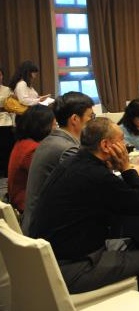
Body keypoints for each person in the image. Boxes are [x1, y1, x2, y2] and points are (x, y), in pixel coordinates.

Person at [27, 117, 139, 297]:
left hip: (48, 260)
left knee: (132, 243)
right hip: (72, 268)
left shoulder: (71, 163)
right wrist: (126, 168)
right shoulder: (95, 174)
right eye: (121, 140)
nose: (125, 145)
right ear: (105, 145)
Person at [23, 91, 95, 235]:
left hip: (33, 222)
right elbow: (88, 188)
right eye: (91, 117)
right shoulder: (67, 149)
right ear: (75, 119)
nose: (93, 122)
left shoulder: (50, 139)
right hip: (46, 231)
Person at [8, 105, 55, 212]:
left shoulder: (23, 142)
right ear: (43, 126)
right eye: (54, 125)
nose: (55, 129)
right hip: (27, 204)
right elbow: (48, 179)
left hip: (20, 198)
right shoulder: (32, 149)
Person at [0, 66, 13, 177]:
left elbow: (12, 106)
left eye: (0, 75)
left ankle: (6, 172)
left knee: (6, 147)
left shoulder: (7, 89)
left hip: (6, 121)